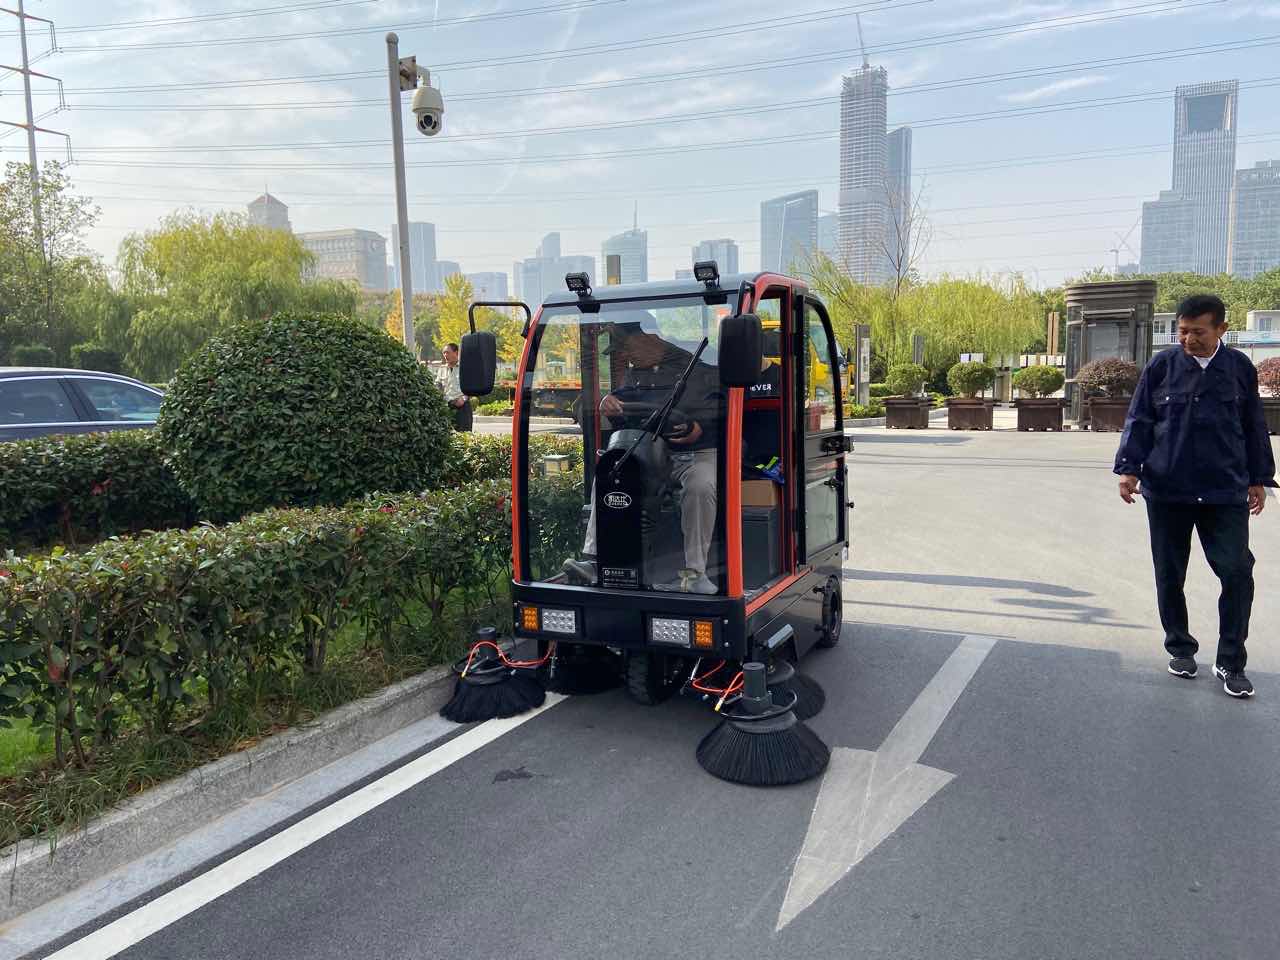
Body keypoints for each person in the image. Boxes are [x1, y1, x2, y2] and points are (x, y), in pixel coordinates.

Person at [1114, 293, 1276, 698]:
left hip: (1225, 490)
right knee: (1170, 574)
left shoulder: (1238, 368)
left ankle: (1230, 661)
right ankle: (1180, 647)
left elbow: (1253, 423)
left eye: (1198, 332)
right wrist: (1129, 469)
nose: (1189, 340)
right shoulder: (1162, 366)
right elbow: (1140, 418)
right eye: (1183, 331)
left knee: (1236, 572)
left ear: (1221, 329)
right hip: (1169, 489)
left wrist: (1259, 478)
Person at [562, 316, 722, 594]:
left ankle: (695, 574)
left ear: (649, 338)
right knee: (610, 472)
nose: (625, 356)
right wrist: (607, 402)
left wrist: (701, 428)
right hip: (649, 451)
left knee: (700, 485)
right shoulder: (635, 375)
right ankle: (595, 560)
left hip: (694, 452)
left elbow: (725, 410)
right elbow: (604, 405)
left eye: (626, 347)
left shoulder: (699, 366)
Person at [437, 343, 472, 433]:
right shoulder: (442, 369)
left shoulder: (465, 368)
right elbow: (438, 386)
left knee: (464, 436)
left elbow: (472, 387)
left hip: (462, 407)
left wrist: (464, 398)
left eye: (448, 352)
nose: (445, 355)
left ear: (456, 353)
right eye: (444, 353)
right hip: (446, 407)